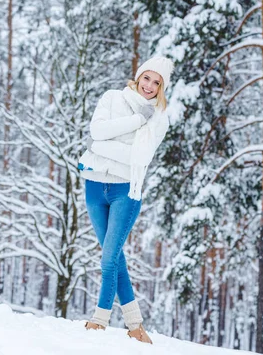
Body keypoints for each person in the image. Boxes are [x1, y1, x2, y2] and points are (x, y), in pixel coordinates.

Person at [77, 56, 173, 344]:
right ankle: (135, 326)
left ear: (162, 88)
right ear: (139, 76)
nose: (150, 86)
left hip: (125, 192)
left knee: (108, 259)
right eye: (147, 78)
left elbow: (139, 158)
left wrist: (101, 148)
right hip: (94, 187)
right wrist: (134, 121)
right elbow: (96, 132)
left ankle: (99, 320)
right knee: (115, 257)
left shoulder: (160, 117)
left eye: (157, 83)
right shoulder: (111, 98)